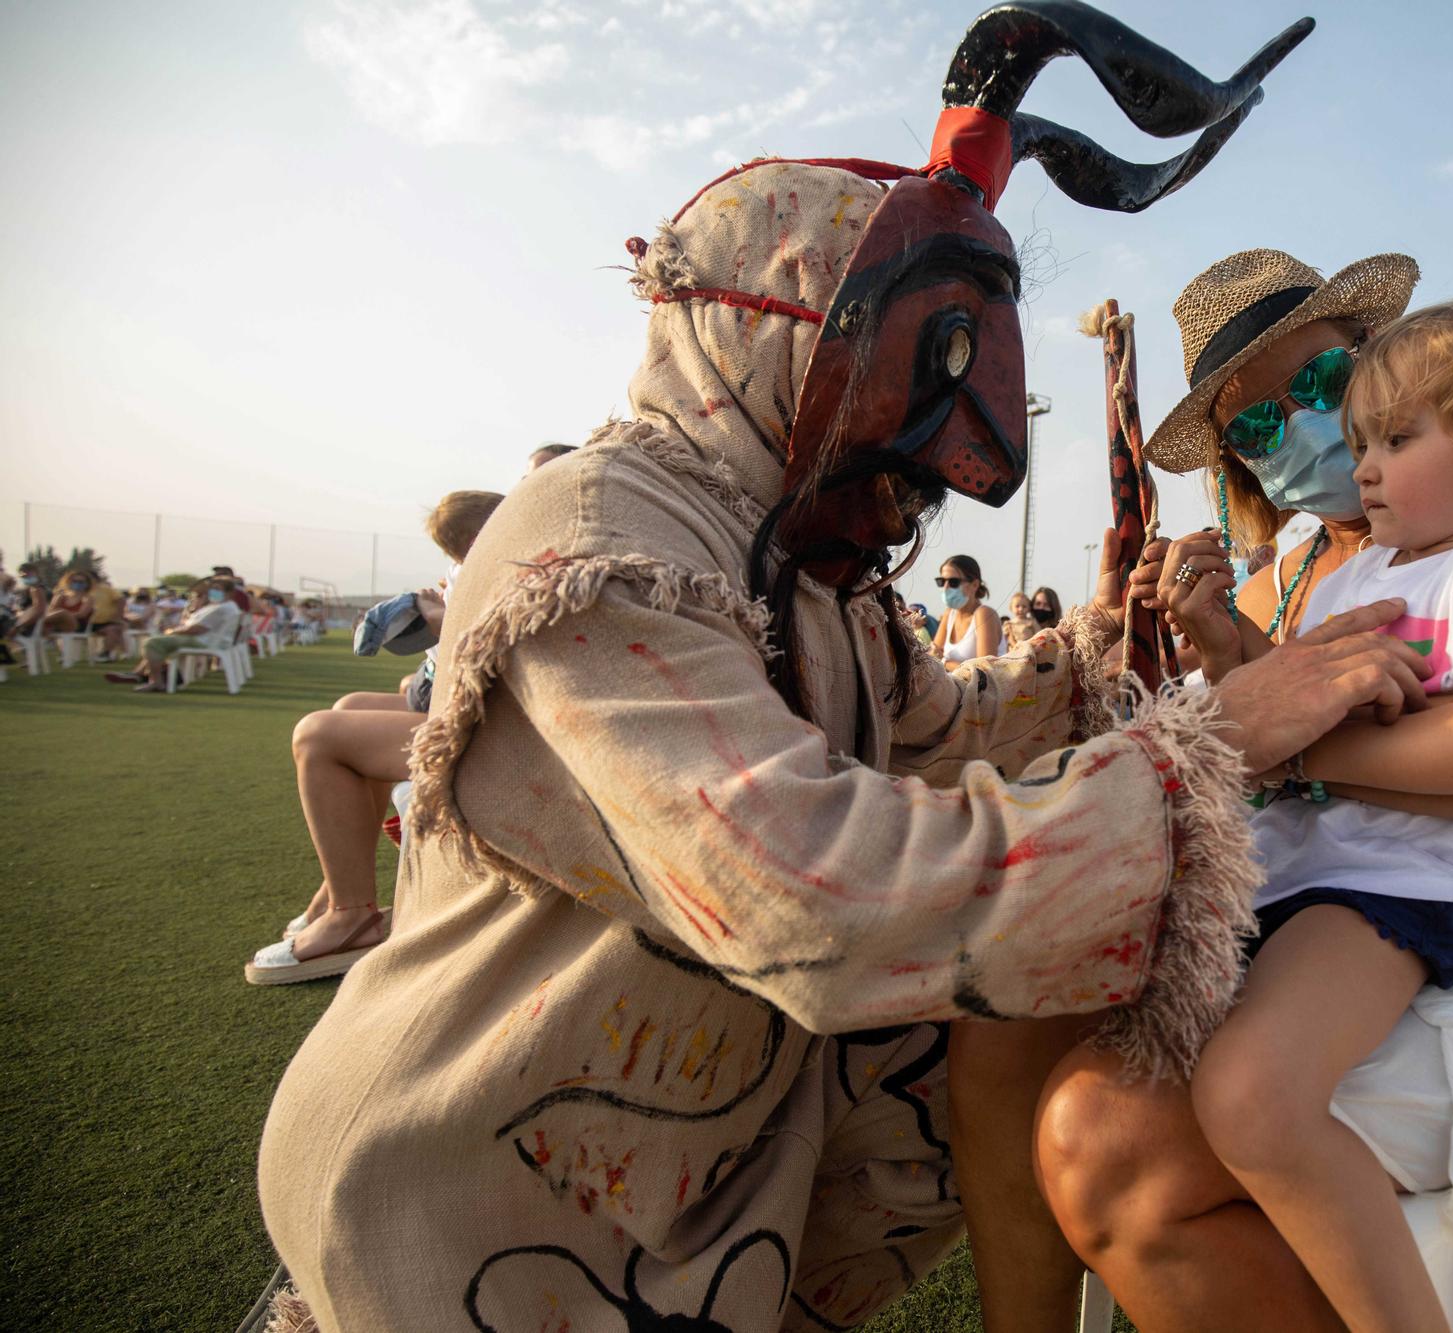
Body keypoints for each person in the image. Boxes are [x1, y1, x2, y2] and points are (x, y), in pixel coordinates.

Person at [256, 12, 1350, 1327]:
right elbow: (809, 895)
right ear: (781, 346)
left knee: (1020, 1031)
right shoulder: (605, 538)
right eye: (908, 423)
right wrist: (1207, 749)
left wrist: (1108, 648)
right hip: (474, 1213)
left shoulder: (809, 579)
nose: (931, 493)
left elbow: (951, 732)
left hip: (682, 1207)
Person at [994, 249, 1453, 1331]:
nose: (1309, 434)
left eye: (1326, 386)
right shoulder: (1318, 566)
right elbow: (1276, 722)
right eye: (1256, 428)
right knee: (1004, 1025)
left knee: (1119, 1137)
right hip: (1343, 899)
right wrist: (1215, 640)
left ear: (1379, 358)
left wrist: (1287, 747)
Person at [247, 490, 505, 983]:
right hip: (484, 711)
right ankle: (337, 888)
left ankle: (352, 915)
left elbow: (500, 659)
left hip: (506, 731)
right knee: (350, 708)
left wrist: (440, 621)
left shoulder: (539, 562)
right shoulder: (515, 559)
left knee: (318, 736)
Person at [105, 578, 242, 692]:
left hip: (202, 640)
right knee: (158, 641)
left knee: (153, 643)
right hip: (205, 639)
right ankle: (139, 674)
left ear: (229, 592)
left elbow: (197, 629)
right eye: (212, 588)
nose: (213, 592)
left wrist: (173, 631)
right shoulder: (223, 606)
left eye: (217, 589)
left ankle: (156, 682)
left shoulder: (221, 608)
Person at [929, 553, 1002, 662]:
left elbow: (985, 671)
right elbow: (933, 655)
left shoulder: (984, 613)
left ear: (975, 585)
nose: (945, 587)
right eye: (942, 581)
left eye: (954, 582)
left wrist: (944, 662)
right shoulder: (950, 613)